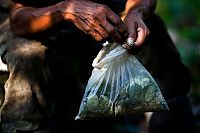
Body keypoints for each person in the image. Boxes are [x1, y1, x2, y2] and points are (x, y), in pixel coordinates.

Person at [0, 0, 195, 132]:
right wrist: (65, 10)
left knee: (153, 33)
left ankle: (173, 123)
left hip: (108, 12)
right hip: (37, 18)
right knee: (29, 55)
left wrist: (136, 12)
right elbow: (19, 19)